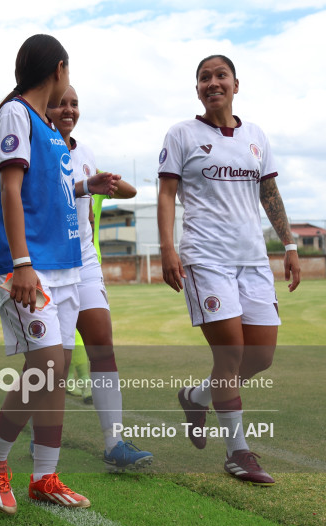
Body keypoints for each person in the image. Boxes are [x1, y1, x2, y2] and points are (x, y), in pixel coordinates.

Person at [0, 34, 118, 515]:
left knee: (52, 375)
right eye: (69, 74)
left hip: (65, 267)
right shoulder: (15, 113)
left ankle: (44, 476)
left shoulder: (47, 126)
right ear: (59, 69)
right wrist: (22, 265)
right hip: (29, 268)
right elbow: (10, 192)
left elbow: (46, 190)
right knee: (49, 367)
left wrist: (83, 185)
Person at [157, 54, 301, 487]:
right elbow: (166, 194)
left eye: (221, 76)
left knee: (260, 356)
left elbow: (268, 191)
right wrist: (168, 249)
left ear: (237, 84)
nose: (212, 82)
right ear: (197, 88)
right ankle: (238, 453)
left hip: (253, 260)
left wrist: (290, 244)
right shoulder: (181, 134)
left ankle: (195, 396)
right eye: (204, 78)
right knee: (230, 355)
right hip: (205, 259)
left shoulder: (256, 136)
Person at [45, 85, 153, 471]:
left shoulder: (85, 152)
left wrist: (103, 180)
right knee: (53, 363)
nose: (68, 109)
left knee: (102, 344)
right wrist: (82, 186)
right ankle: (37, 438)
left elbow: (123, 191)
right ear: (46, 107)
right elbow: (37, 198)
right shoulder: (39, 147)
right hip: (51, 262)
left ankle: (114, 442)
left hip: (85, 259)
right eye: (60, 103)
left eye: (74, 103)